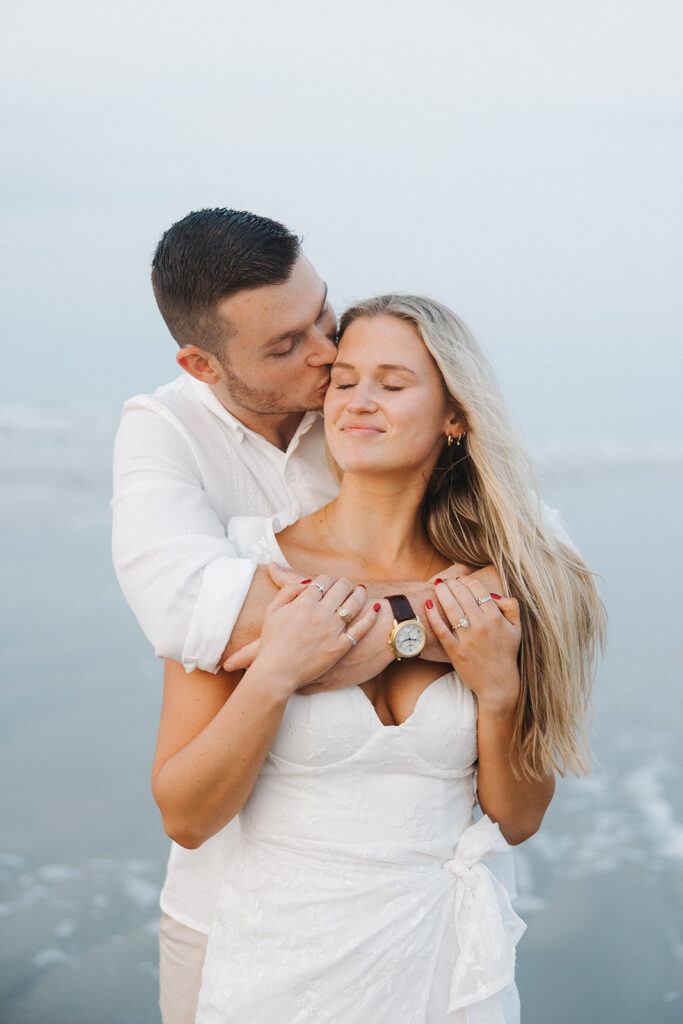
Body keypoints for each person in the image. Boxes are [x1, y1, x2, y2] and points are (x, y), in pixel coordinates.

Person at [152, 295, 606, 1022]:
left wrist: (498, 693)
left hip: (441, 964)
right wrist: (274, 675)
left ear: (454, 416)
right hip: (276, 969)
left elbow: (516, 819)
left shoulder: (493, 585)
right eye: (343, 382)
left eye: (392, 385)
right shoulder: (248, 569)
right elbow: (185, 816)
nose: (358, 403)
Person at [112, 210, 502, 1024]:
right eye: (286, 346)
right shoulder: (165, 432)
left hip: (413, 905)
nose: (328, 355)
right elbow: (191, 605)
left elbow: (532, 574)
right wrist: (428, 627)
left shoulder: (366, 405)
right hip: (228, 911)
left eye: (321, 313)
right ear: (201, 364)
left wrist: (396, 635)